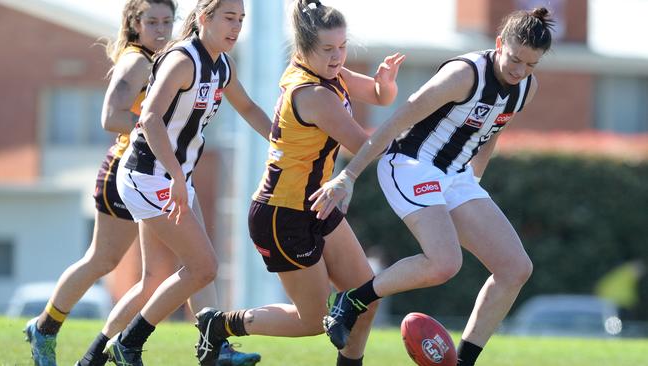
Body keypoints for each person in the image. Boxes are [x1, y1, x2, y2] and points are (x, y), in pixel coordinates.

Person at [310, 7, 555, 366]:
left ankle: (463, 361)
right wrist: (349, 175)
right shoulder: (463, 74)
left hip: (455, 175)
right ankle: (352, 300)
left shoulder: (525, 89)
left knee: (516, 268)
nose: (519, 71)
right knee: (444, 264)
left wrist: (475, 182)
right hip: (410, 165)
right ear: (500, 43)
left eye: (530, 65)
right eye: (515, 59)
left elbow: (489, 133)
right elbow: (397, 119)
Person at [193, 1, 405, 366]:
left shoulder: (330, 74)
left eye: (342, 47)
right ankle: (221, 325)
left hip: (317, 204)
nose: (338, 56)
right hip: (282, 215)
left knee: (365, 297)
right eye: (328, 49)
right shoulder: (314, 94)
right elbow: (365, 146)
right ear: (304, 48)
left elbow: (378, 95)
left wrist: (385, 84)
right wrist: (422, 144)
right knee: (312, 321)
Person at [106, 0, 272, 364]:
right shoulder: (183, 60)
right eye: (229, 17)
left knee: (194, 268)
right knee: (203, 266)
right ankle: (128, 343)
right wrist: (178, 177)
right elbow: (148, 119)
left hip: (173, 177)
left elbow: (247, 107)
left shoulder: (222, 65)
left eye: (241, 19)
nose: (237, 26)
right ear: (203, 18)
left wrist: (284, 142)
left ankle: (214, 349)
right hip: (147, 177)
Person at [24, 1, 177, 365]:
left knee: (162, 274)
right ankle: (45, 329)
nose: (160, 29)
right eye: (152, 21)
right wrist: (165, 134)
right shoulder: (137, 61)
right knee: (103, 260)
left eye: (167, 21)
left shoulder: (169, 58)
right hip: (124, 170)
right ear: (135, 24)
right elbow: (110, 116)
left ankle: (104, 352)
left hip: (155, 175)